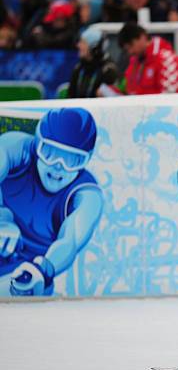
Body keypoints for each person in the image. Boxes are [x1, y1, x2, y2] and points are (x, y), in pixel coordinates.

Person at [0, 108, 103, 296]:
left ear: (86, 160)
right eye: (50, 153)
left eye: (72, 160)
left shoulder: (86, 195)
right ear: (37, 143)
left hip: (21, 272)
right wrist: (3, 220)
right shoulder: (16, 148)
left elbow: (69, 240)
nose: (58, 167)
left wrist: (44, 269)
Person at [118, 22, 178, 95]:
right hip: (136, 105)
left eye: (131, 46)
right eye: (127, 50)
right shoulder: (134, 61)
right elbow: (123, 87)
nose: (130, 52)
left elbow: (170, 97)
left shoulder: (166, 58)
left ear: (142, 37)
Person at [68, 27, 120, 98]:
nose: (78, 45)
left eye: (83, 42)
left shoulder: (108, 70)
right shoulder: (79, 68)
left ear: (94, 47)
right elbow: (71, 95)